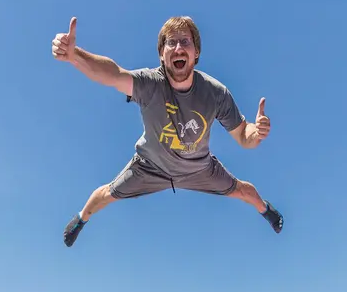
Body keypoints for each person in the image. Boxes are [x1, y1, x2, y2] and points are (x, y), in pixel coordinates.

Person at [52, 15, 283, 247]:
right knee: (105, 195)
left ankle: (266, 210)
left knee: (244, 191)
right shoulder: (150, 83)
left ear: (196, 53)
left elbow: (244, 136)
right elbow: (113, 75)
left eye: (185, 42)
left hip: (199, 168)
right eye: (171, 42)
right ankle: (81, 219)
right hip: (150, 165)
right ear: (162, 54)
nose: (178, 47)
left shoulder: (215, 93)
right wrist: (75, 56)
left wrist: (257, 132)